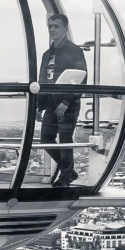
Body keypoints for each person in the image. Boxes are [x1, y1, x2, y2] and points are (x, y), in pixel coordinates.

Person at [35, 10, 87, 187]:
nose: (52, 29)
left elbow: (81, 77)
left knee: (65, 141)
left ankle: (65, 179)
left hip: (67, 105)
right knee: (46, 140)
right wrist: (38, 106)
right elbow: (43, 80)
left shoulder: (74, 51)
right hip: (50, 104)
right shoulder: (46, 54)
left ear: (65, 28)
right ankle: (69, 171)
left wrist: (66, 101)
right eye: (49, 26)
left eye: (56, 26)